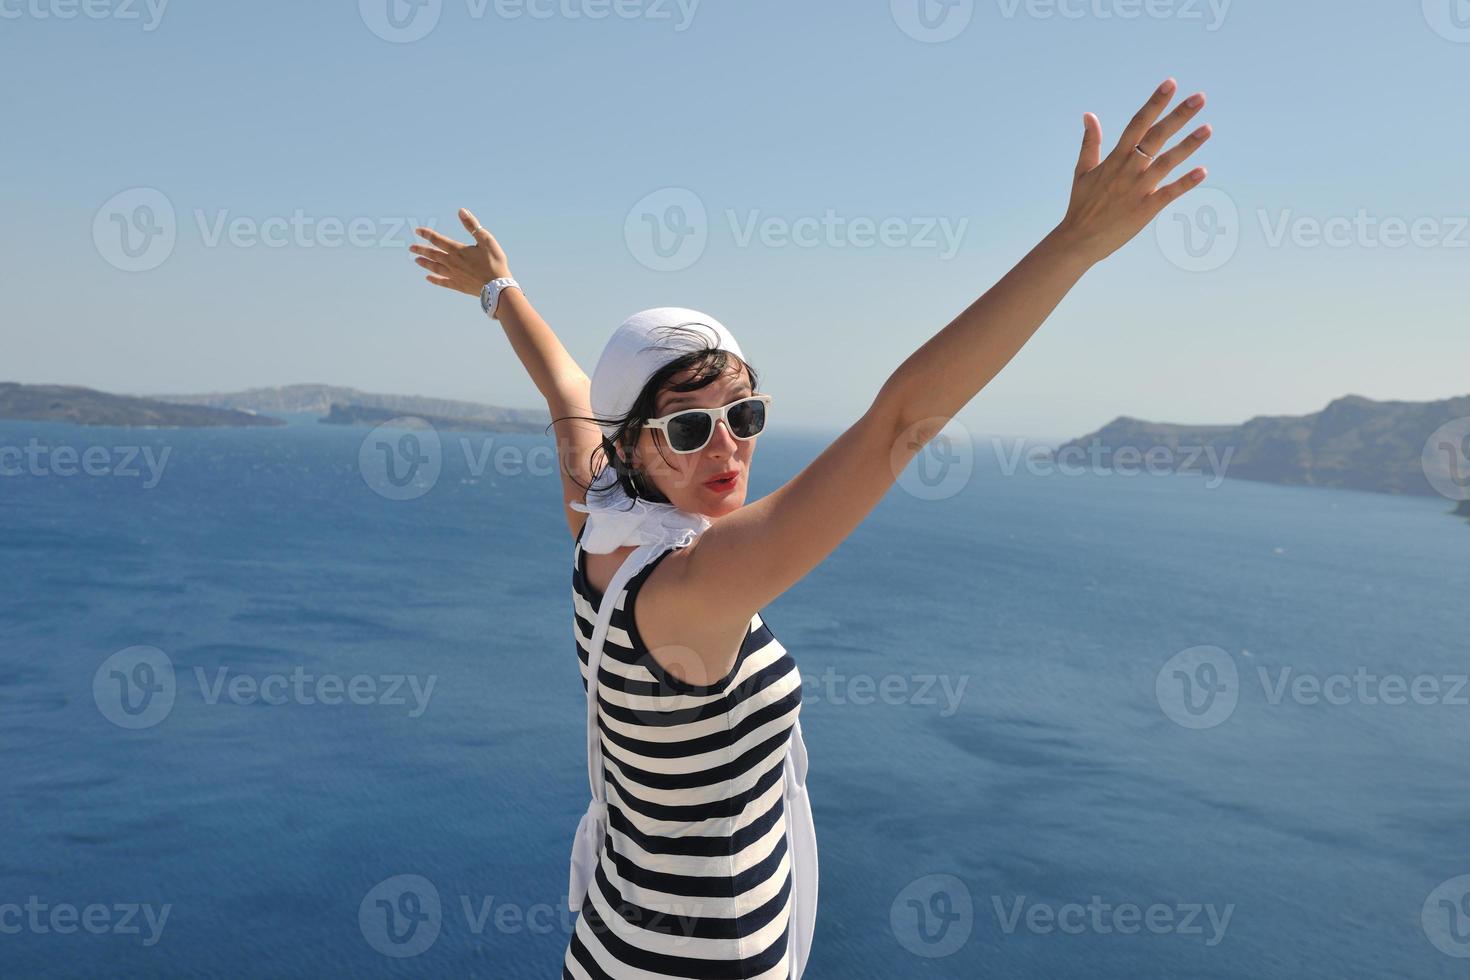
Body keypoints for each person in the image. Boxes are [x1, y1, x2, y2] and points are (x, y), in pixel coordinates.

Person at [407, 77, 1211, 979]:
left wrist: (498, 288)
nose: (726, 447)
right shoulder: (690, 585)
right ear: (634, 442)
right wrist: (1076, 247)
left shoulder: (602, 513)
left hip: (618, 949)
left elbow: (563, 387)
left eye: (743, 415)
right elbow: (902, 422)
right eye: (688, 426)